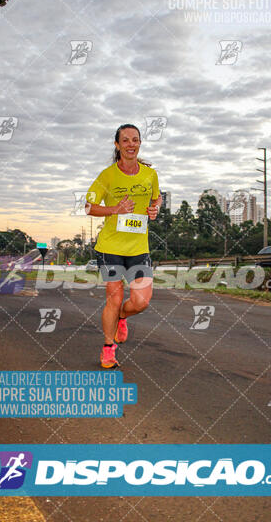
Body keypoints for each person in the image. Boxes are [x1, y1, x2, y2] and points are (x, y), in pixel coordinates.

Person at [85, 124, 162, 368]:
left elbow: (157, 197)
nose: (131, 144)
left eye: (135, 140)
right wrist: (114, 209)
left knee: (141, 301)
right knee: (114, 298)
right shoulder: (107, 176)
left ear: (140, 143)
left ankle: (121, 317)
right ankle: (108, 348)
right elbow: (89, 207)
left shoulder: (150, 175)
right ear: (117, 145)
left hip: (139, 248)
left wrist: (155, 208)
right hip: (111, 248)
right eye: (125, 140)